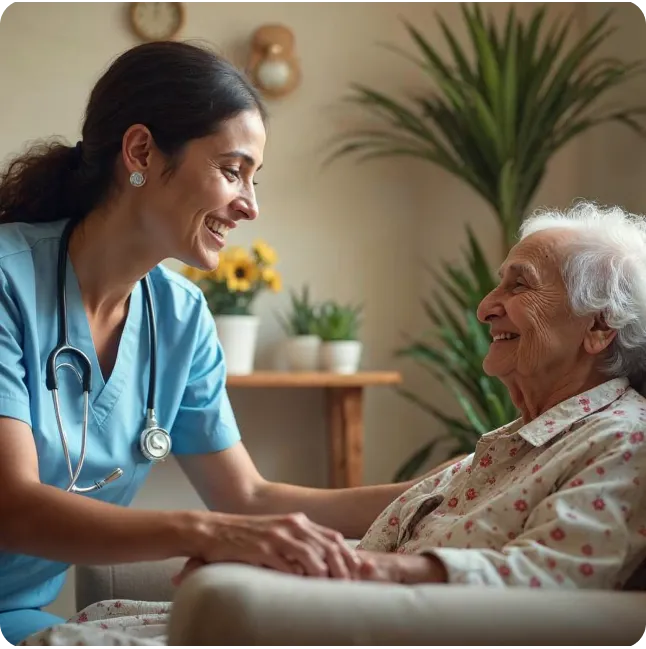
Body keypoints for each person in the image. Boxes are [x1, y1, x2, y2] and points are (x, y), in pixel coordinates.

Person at [0, 41, 421, 647]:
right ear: (140, 150)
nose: (250, 205)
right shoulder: (8, 279)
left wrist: (437, 489)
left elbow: (248, 496)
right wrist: (206, 532)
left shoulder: (180, 316)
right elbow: (12, 506)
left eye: (253, 178)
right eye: (232, 170)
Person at [352, 202, 646, 590]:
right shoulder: (513, 445)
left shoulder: (625, 441)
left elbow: (550, 576)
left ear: (599, 325)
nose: (485, 308)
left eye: (519, 284)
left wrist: (376, 572)